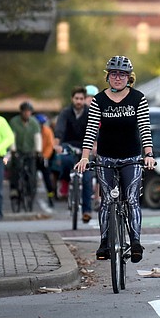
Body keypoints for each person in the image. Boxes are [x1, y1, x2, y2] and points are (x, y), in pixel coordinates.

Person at [74, 56, 156, 264]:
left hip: (131, 157)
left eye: (122, 74)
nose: (117, 78)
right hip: (106, 158)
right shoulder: (99, 100)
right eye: (113, 74)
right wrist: (85, 157)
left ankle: (135, 242)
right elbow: (91, 129)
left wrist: (148, 155)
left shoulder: (138, 98)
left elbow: (145, 128)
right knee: (107, 201)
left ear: (129, 77)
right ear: (107, 76)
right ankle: (104, 243)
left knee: (131, 198)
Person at [54, 86, 93, 222]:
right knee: (64, 160)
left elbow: (95, 131)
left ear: (84, 100)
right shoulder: (65, 113)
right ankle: (64, 182)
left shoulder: (89, 113)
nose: (79, 101)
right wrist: (57, 144)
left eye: (81, 99)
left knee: (87, 178)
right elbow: (59, 129)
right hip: (68, 145)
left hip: (85, 148)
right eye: (76, 98)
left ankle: (87, 211)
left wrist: (95, 146)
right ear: (72, 99)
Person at [8, 101, 42, 202]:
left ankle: (30, 190)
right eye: (25, 112)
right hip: (18, 150)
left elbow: (37, 137)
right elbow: (11, 137)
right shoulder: (14, 122)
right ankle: (14, 189)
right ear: (21, 112)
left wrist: (38, 150)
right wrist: (13, 150)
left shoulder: (34, 122)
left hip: (30, 150)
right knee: (16, 168)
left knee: (32, 171)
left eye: (29, 112)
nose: (27, 114)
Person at [35, 113, 57, 206]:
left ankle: (50, 195)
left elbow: (50, 145)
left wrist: (45, 156)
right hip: (33, 155)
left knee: (47, 176)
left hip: (44, 156)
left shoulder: (47, 131)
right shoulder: (33, 131)